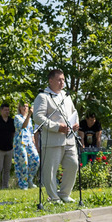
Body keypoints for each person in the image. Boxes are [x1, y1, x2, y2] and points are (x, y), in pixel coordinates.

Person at [33, 69, 80, 203]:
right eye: (59, 80)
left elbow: (74, 112)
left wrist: (76, 124)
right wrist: (57, 127)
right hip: (52, 140)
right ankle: (53, 198)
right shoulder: (43, 96)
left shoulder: (66, 96)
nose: (62, 83)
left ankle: (64, 194)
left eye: (63, 80)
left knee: (73, 165)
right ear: (51, 81)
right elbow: (38, 117)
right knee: (50, 170)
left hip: (69, 139)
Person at [12, 102, 39, 190]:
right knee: (24, 163)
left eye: (27, 106)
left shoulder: (30, 119)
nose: (25, 108)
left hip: (29, 143)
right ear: (20, 107)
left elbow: (31, 132)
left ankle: (29, 179)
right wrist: (29, 115)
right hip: (20, 143)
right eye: (23, 106)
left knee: (36, 160)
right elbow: (23, 126)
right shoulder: (17, 117)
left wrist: (34, 143)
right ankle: (23, 184)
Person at [0, 103, 15, 189]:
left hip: (9, 148)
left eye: (8, 110)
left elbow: (13, 133)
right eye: (5, 110)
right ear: (1, 110)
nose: (7, 112)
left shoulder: (11, 121)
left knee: (7, 169)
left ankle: (5, 186)